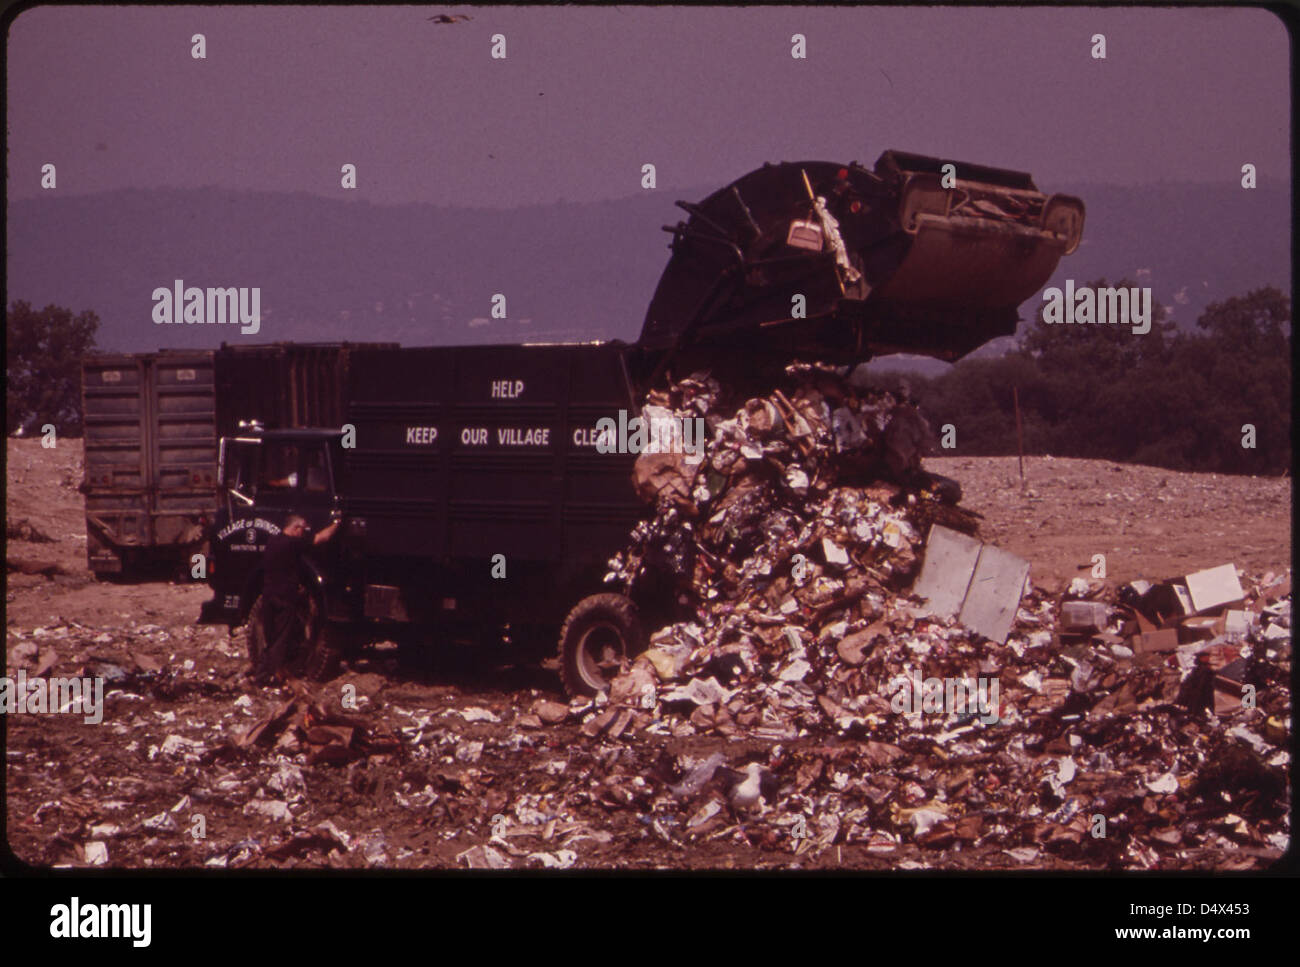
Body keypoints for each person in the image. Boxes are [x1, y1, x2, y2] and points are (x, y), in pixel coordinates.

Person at [253, 512, 341, 686]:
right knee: (281, 638)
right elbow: (321, 538)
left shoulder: (273, 541)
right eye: (303, 529)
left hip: (268, 596)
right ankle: (273, 678)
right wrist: (337, 522)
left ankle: (261, 675)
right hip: (284, 598)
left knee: (270, 639)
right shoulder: (292, 544)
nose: (304, 533)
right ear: (295, 528)